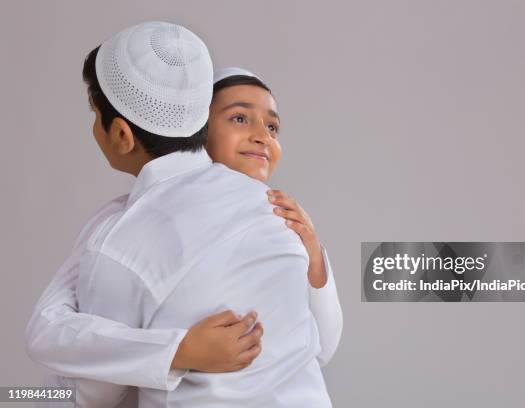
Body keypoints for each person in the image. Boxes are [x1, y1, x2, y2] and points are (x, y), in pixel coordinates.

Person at [25, 22, 342, 408]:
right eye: (239, 118)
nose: (261, 136)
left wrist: (16, 394)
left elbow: (90, 394)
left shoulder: (121, 241)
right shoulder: (273, 212)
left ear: (123, 135)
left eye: (94, 113)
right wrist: (173, 351)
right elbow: (312, 350)